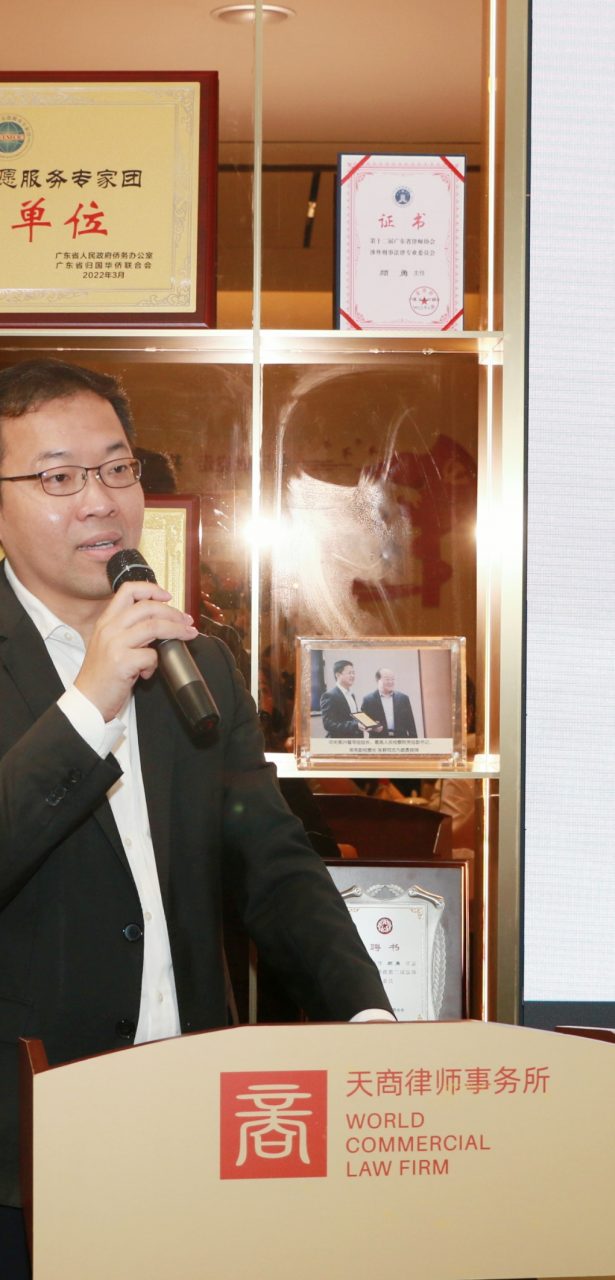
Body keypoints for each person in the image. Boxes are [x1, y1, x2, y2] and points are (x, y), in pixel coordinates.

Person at [0, 359, 393, 1277]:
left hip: (191, 1120)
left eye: (117, 468)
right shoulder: (98, 671)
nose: (99, 501)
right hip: (24, 1148)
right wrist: (89, 703)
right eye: (58, 477)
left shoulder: (198, 664)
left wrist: (363, 1013)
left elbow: (274, 864)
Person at [360, 667, 418, 738]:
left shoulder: (403, 698)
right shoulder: (368, 700)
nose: (390, 682)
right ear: (378, 680)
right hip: (379, 740)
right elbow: (363, 722)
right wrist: (373, 728)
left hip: (400, 739)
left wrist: (414, 741)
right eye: (387, 679)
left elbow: (411, 724)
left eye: (392, 679)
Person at [319, 659, 365, 738]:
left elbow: (352, 717)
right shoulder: (329, 696)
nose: (352, 676)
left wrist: (367, 723)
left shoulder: (351, 695)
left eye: (353, 673)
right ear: (338, 675)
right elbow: (328, 724)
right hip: (340, 740)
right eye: (349, 673)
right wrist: (355, 725)